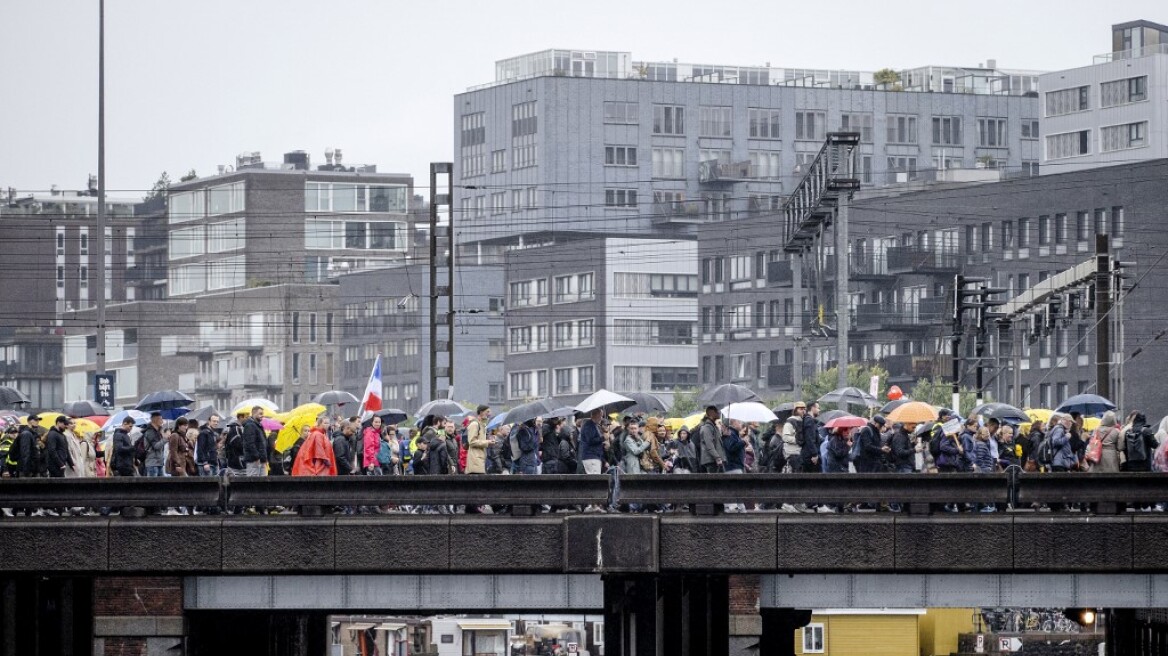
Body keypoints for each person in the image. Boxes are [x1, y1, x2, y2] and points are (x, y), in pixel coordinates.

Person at [697, 406, 726, 473]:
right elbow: (709, 445)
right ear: (712, 413)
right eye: (716, 412)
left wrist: (724, 436)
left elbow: (717, 443)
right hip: (712, 461)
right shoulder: (707, 428)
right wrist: (717, 458)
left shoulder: (713, 427)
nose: (719, 413)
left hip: (715, 461)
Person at [465, 405, 491, 475]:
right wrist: (487, 442)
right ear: (481, 412)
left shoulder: (482, 425)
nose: (489, 414)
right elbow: (472, 442)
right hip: (475, 461)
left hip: (480, 460)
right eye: (487, 412)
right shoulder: (475, 424)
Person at [579, 408, 606, 475]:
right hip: (591, 456)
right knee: (595, 479)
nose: (601, 418)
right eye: (601, 416)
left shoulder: (594, 425)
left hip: (595, 456)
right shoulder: (589, 425)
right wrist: (603, 438)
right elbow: (590, 440)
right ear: (596, 415)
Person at [800, 402, 823, 473]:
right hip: (810, 457)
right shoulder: (809, 421)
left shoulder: (807, 420)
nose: (819, 410)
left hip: (808, 455)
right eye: (818, 408)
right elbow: (810, 439)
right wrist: (814, 454)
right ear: (813, 408)